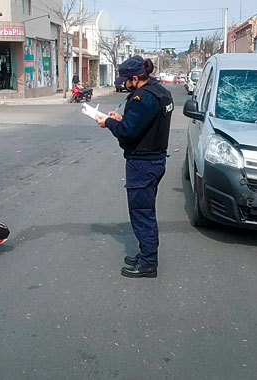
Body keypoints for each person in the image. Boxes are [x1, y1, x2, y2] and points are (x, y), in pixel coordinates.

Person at [95, 56, 174, 278]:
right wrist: (122, 118)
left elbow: (128, 132)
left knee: (142, 213)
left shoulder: (143, 98)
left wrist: (109, 122)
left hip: (143, 163)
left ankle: (148, 263)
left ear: (136, 78)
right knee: (144, 211)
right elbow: (144, 123)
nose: (125, 84)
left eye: (127, 80)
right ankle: (145, 254)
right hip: (154, 160)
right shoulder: (160, 92)